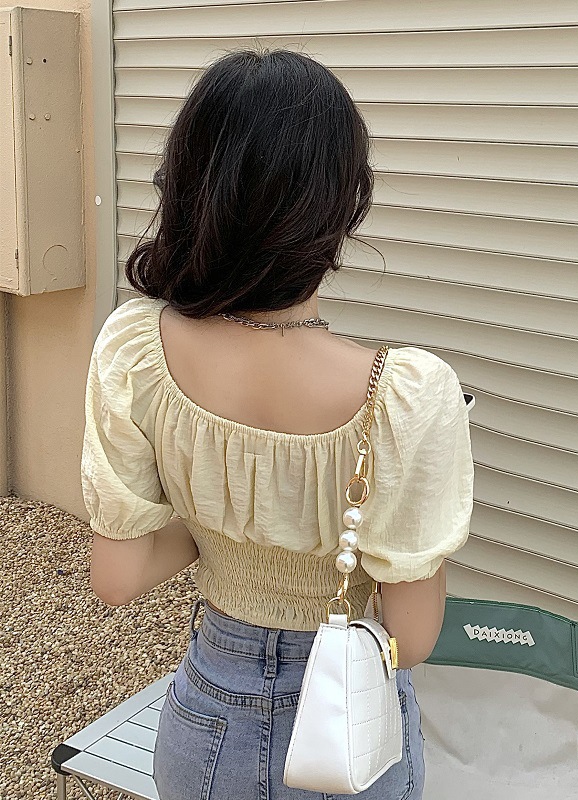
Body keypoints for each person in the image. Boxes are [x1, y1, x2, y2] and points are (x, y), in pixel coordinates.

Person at [80, 48, 474, 800]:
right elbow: (413, 636)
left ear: (187, 185)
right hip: (351, 733)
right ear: (340, 203)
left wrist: (227, 510)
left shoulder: (135, 350)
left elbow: (118, 577)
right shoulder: (404, 395)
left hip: (204, 725)